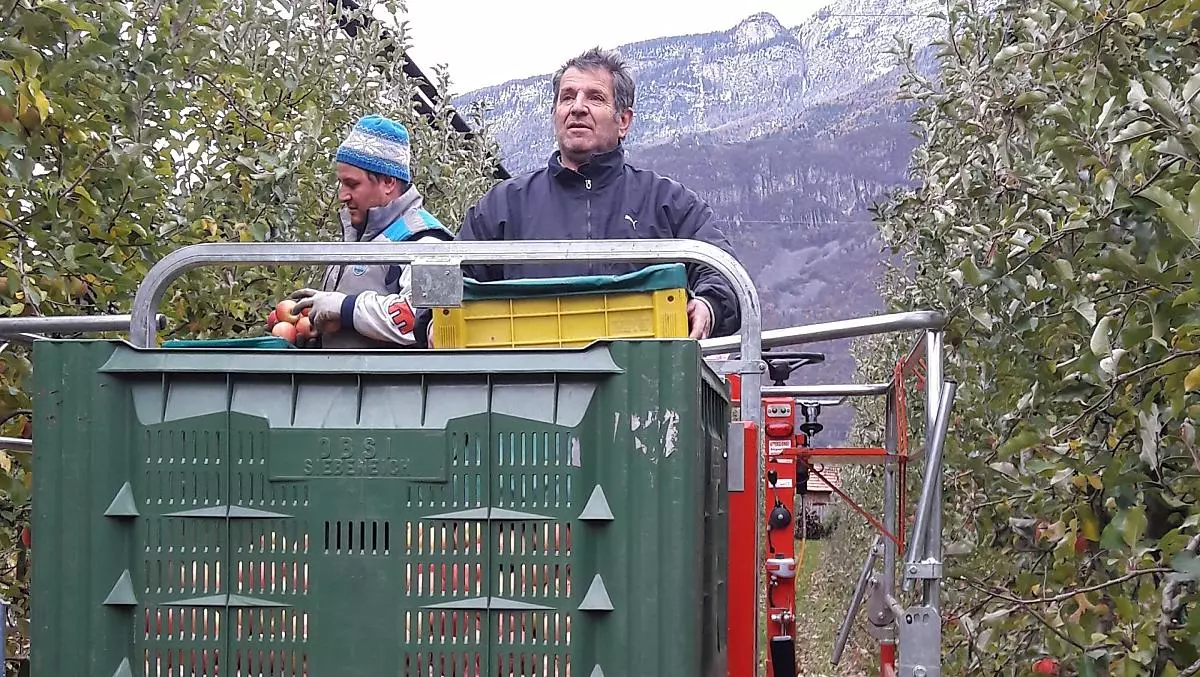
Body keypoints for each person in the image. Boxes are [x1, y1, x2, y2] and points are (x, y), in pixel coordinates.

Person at [416, 46, 742, 345]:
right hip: (525, 382)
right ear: (555, 114)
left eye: (595, 98)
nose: (578, 107)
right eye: (567, 97)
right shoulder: (503, 205)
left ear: (623, 120)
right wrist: (432, 321)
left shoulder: (668, 202)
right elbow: (449, 275)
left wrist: (709, 305)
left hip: (644, 382)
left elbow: (722, 270)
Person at [289, 115, 454, 349]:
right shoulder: (356, 237)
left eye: (352, 184)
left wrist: (346, 308)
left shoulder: (428, 241)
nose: (342, 195)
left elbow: (432, 320)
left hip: (394, 375)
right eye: (341, 183)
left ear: (388, 182)